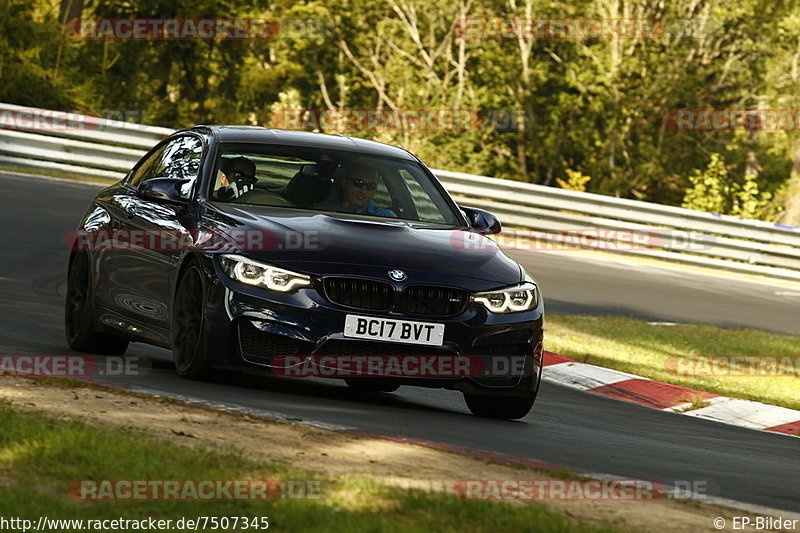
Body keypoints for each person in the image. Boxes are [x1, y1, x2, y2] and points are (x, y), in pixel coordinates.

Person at [315, 161, 396, 217]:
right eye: (359, 183)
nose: (364, 191)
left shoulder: (386, 218)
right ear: (344, 183)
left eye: (370, 186)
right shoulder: (322, 212)